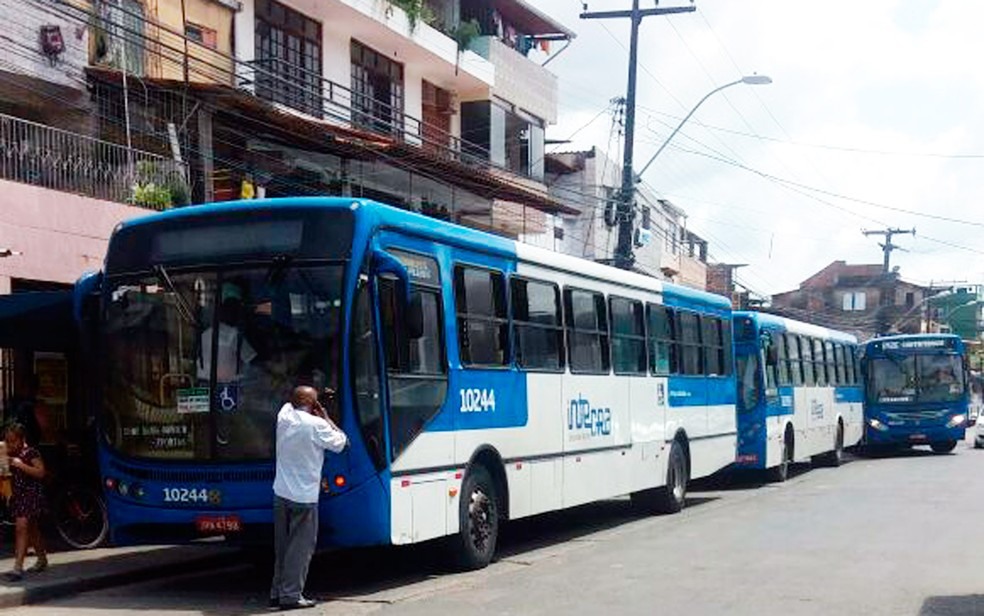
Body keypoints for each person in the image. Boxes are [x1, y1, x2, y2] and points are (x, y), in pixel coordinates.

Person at [270, 386, 347, 611]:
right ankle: (291, 595)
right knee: (300, 549)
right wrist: (326, 416)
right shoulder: (317, 425)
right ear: (314, 405)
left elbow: (290, 401)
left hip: (280, 494)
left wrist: (310, 404)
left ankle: (276, 592)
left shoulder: (283, 417)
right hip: (304, 497)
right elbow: (342, 443)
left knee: (282, 548)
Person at [3, 423, 48, 582]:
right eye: (8, 441)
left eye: (13, 441)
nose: (10, 445)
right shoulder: (6, 455)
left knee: (21, 528)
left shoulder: (30, 453)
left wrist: (20, 465)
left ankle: (17, 567)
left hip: (31, 495)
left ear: (22, 439)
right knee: (32, 529)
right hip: (18, 496)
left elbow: (41, 472)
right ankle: (42, 559)